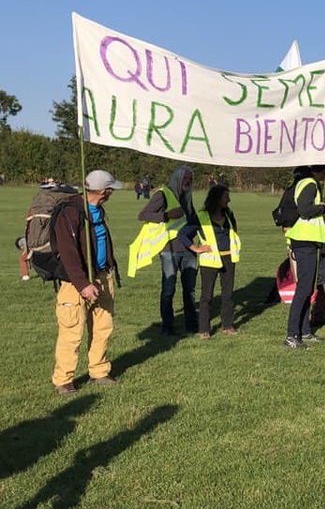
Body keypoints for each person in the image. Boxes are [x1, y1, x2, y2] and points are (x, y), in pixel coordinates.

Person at [50, 170, 122, 395]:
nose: (111, 193)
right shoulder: (70, 213)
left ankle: (99, 371)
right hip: (75, 283)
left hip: (102, 276)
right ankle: (63, 380)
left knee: (103, 327)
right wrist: (83, 284)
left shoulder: (98, 210)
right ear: (102, 191)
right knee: (72, 331)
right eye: (110, 189)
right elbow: (68, 253)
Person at [133, 165, 200, 337]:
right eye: (186, 179)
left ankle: (192, 325)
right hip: (169, 250)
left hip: (189, 250)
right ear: (177, 178)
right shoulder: (163, 195)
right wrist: (167, 215)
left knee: (190, 290)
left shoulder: (187, 197)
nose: (188, 183)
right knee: (169, 289)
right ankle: (167, 327)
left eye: (191, 180)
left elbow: (193, 220)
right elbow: (143, 215)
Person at [285, 165, 325, 348]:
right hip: (304, 241)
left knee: (307, 289)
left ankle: (304, 331)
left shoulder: (304, 182)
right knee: (303, 290)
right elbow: (305, 210)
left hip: (307, 242)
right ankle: (291, 334)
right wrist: (323, 208)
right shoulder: (310, 184)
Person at [194, 184, 240, 339]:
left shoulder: (229, 215)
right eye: (226, 196)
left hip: (229, 258)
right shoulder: (201, 216)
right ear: (217, 198)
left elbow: (234, 231)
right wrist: (196, 248)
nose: (229, 199)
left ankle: (227, 325)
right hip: (210, 260)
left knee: (228, 294)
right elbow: (183, 234)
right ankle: (204, 329)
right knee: (206, 296)